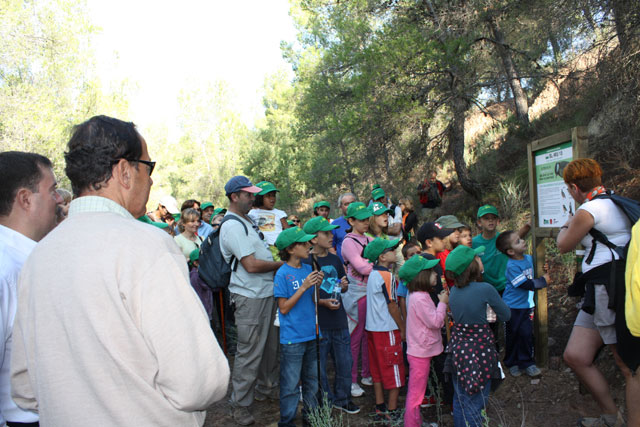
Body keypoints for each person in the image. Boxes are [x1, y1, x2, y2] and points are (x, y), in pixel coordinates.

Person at [10, 116, 229, 426]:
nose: (151, 180)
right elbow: (198, 381)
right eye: (148, 167)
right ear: (125, 171)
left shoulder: (38, 257)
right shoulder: (148, 246)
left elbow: (24, 387)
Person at [556, 158, 635, 427]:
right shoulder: (614, 201)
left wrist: (566, 223)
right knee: (576, 355)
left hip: (609, 290)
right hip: (600, 289)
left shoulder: (588, 210)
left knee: (629, 367)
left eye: (569, 188)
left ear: (575, 187)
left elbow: (563, 245)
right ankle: (612, 418)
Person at [0, 151, 62, 427]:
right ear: (25, 199)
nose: (59, 200)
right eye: (53, 191)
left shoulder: (29, 261)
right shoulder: (6, 270)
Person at [220, 176, 283, 426]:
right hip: (249, 297)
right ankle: (240, 405)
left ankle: (267, 389)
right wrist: (282, 264)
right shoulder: (233, 226)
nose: (253, 198)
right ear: (235, 196)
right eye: (248, 194)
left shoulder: (247, 220)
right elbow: (251, 264)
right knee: (249, 353)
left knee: (270, 348)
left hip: (265, 293)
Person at [444, 245, 511, 427]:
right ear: (472, 266)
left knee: (460, 400)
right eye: (478, 258)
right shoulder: (486, 289)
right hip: (479, 352)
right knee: (476, 401)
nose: (482, 259)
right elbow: (506, 315)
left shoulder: (454, 292)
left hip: (458, 351)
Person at [302, 216, 360, 415]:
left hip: (339, 319)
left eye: (331, 232)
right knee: (319, 365)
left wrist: (343, 286)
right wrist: (322, 302)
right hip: (319, 322)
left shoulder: (335, 258)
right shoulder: (305, 261)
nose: (330, 236)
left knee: (345, 361)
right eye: (325, 233)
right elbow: (304, 296)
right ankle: (325, 399)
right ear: (312, 239)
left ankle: (343, 398)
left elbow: (341, 285)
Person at [273, 227, 322, 426]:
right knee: (291, 384)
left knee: (312, 381)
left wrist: (316, 286)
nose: (308, 246)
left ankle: (311, 419)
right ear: (292, 249)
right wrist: (303, 287)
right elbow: (283, 308)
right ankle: (287, 421)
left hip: (311, 333)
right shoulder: (282, 274)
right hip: (292, 338)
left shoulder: (308, 269)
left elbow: (313, 300)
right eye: (303, 243)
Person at [398, 255, 448, 427]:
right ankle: (411, 424)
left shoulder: (417, 294)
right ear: (421, 277)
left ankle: (416, 422)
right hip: (420, 351)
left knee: (416, 393)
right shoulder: (421, 298)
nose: (436, 274)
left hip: (420, 349)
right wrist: (442, 303)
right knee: (416, 395)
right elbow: (435, 322)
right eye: (431, 271)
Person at [362, 237, 405, 423]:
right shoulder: (386, 276)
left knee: (378, 370)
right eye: (391, 250)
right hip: (387, 329)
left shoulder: (373, 274)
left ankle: (380, 406)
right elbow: (392, 306)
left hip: (372, 329)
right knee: (394, 370)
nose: (395, 251)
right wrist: (403, 328)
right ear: (382, 257)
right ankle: (393, 410)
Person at [496, 230, 550, 377]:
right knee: (512, 335)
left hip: (526, 306)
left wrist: (543, 268)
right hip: (511, 308)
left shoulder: (529, 259)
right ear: (511, 251)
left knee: (526, 334)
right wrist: (543, 281)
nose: (523, 241)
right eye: (518, 241)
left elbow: (538, 267)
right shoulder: (512, 266)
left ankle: (527, 362)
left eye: (520, 239)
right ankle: (512, 362)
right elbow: (524, 284)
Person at [340, 202, 374, 397]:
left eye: (367, 219)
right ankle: (351, 380)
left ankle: (366, 374)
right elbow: (362, 268)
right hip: (357, 294)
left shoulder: (369, 238)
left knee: (368, 335)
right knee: (355, 337)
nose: (366, 223)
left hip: (372, 293)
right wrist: (376, 265)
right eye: (361, 220)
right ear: (351, 221)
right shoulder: (348, 242)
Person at [249, 180, 289, 260]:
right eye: (268, 196)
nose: (272, 199)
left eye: (273, 195)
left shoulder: (279, 213)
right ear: (259, 198)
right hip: (261, 248)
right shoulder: (252, 213)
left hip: (278, 248)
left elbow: (287, 231)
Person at [332, 192, 356, 263]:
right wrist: (339, 264)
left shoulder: (365, 220)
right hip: (345, 268)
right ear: (340, 207)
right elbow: (330, 247)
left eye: (352, 203)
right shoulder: (335, 225)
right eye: (346, 204)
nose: (350, 206)